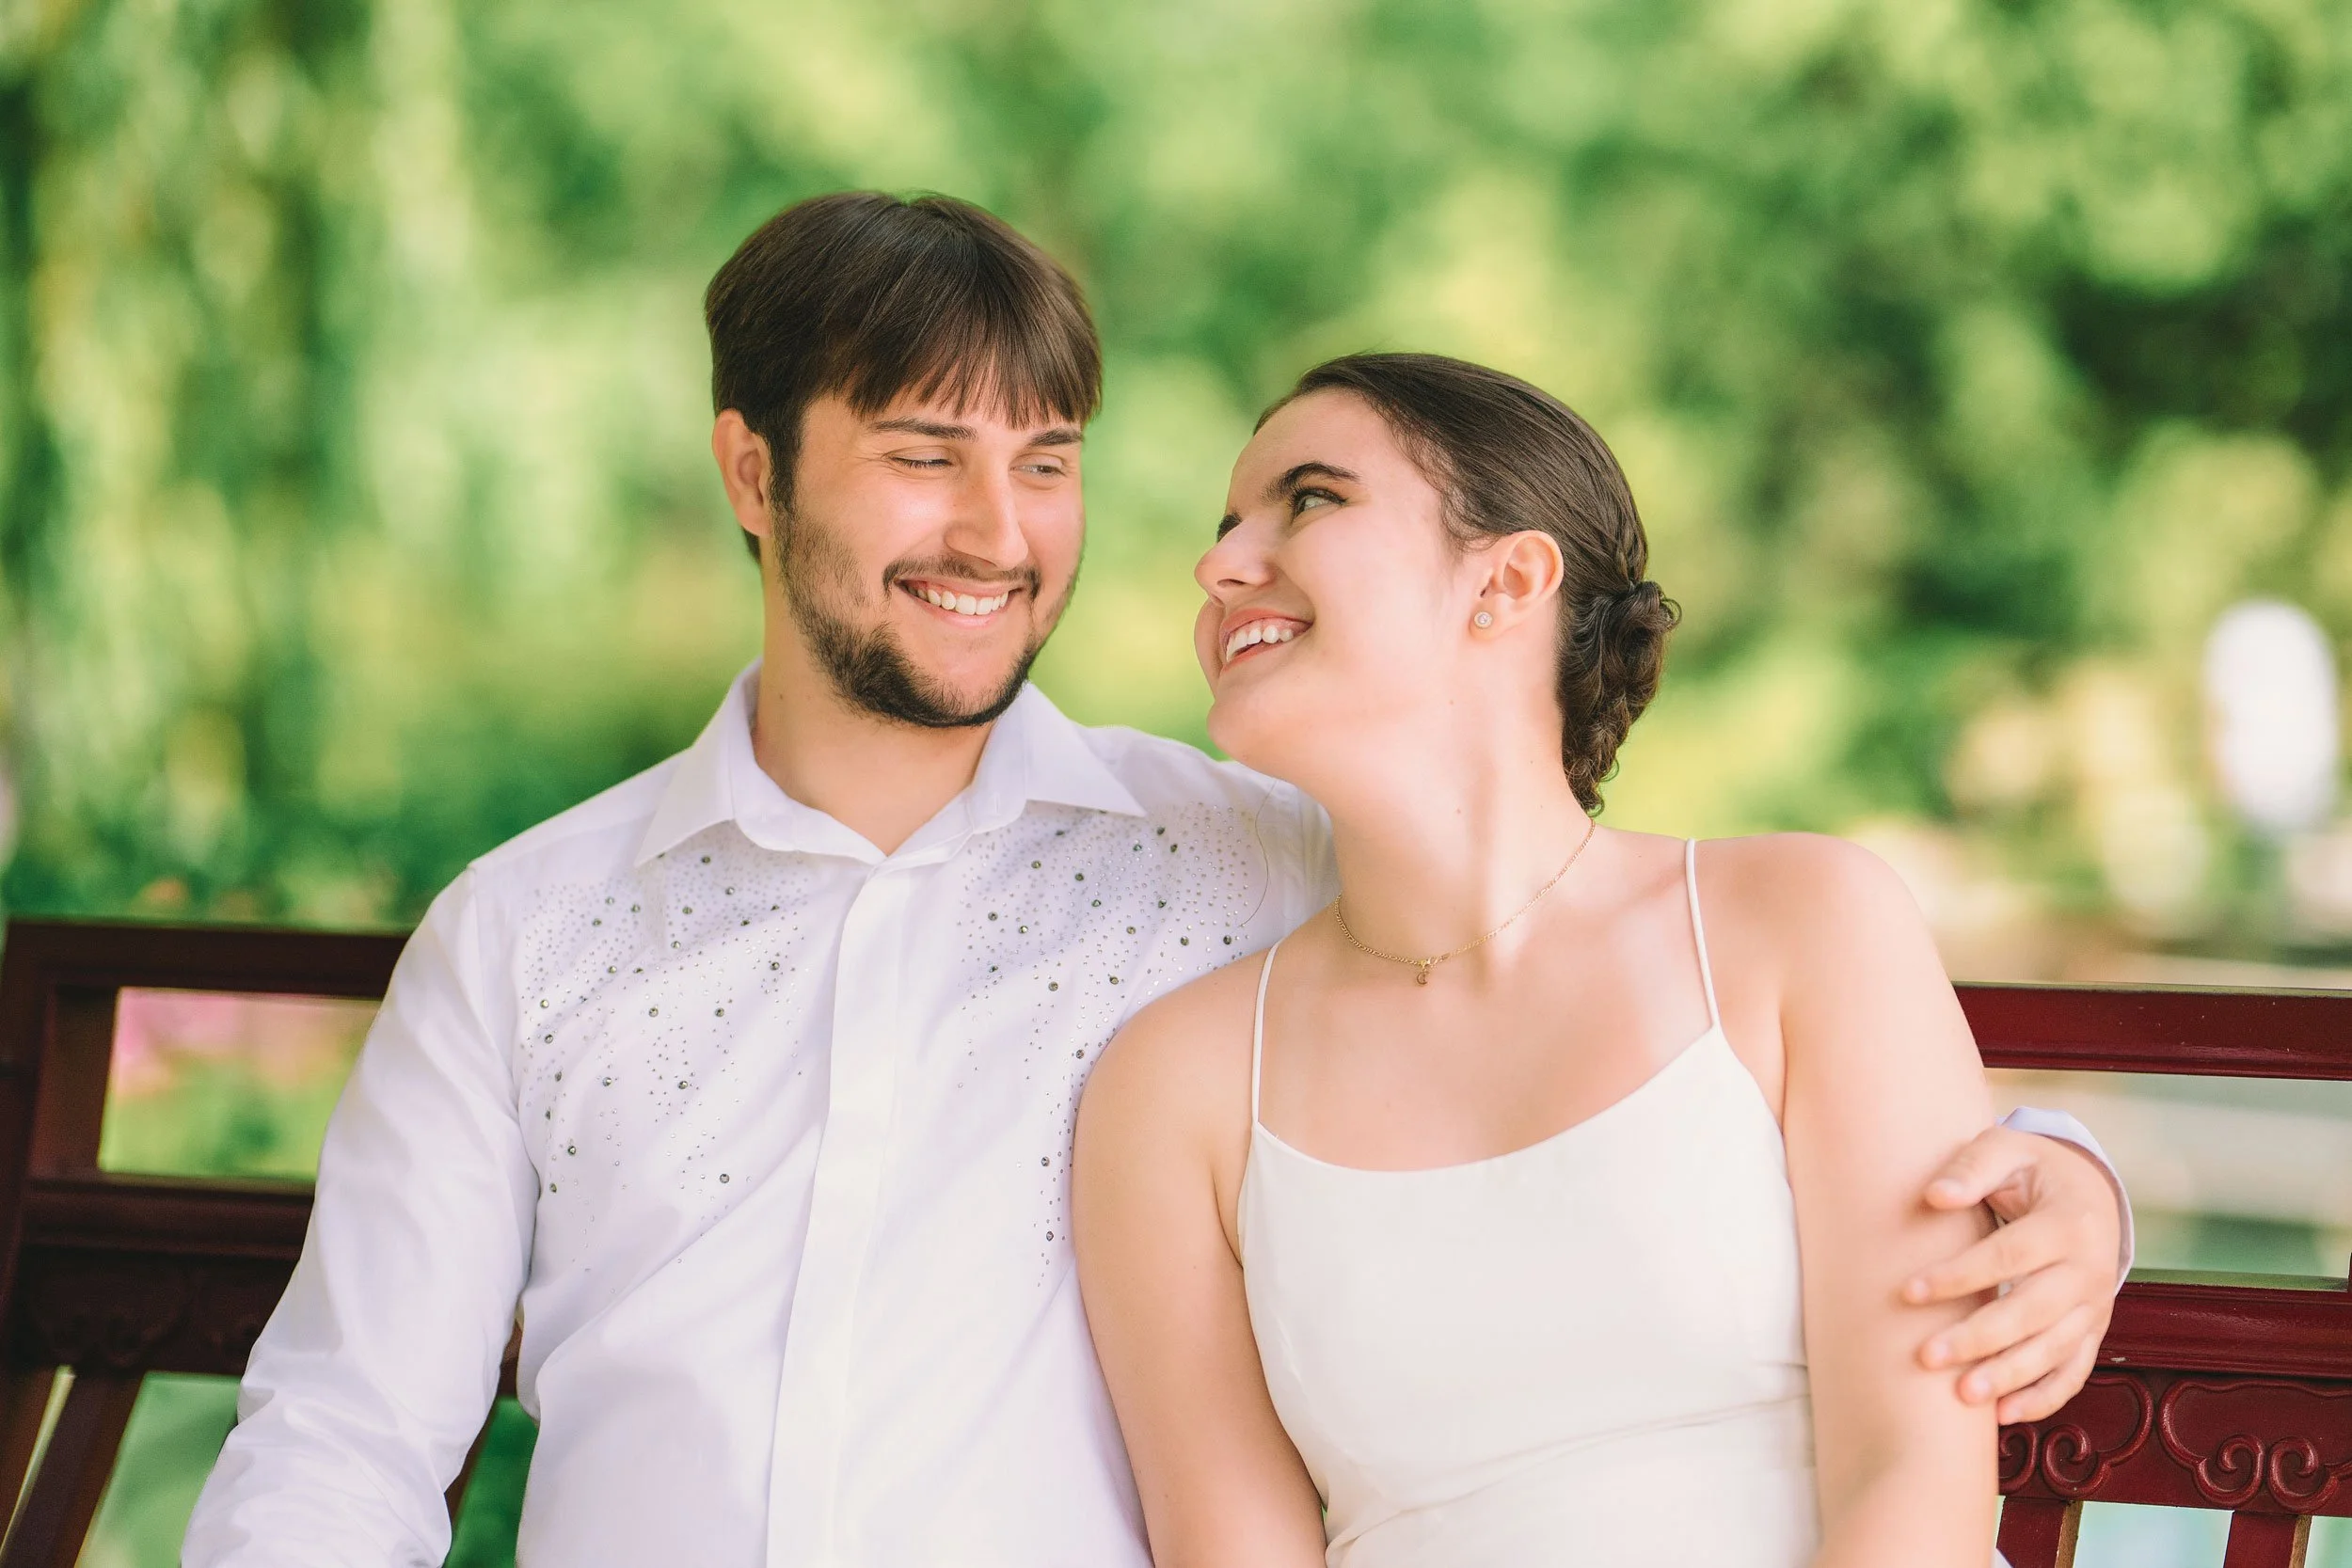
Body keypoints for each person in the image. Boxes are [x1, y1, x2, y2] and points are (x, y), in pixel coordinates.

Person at [185, 195, 2128, 1568]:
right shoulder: (532, 928)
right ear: (751, 471)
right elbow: (348, 1435)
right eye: (922, 456)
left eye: (1044, 461)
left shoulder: (1239, 862)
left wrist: (2055, 1173)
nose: (998, 530)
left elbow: (1558, 932)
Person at [1073, 353, 2078, 1567]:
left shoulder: (1801, 926)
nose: (1222, 562)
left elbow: (1912, 1491)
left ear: (1506, 580)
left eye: (1312, 499)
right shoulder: (1173, 1085)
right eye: (1227, 524)